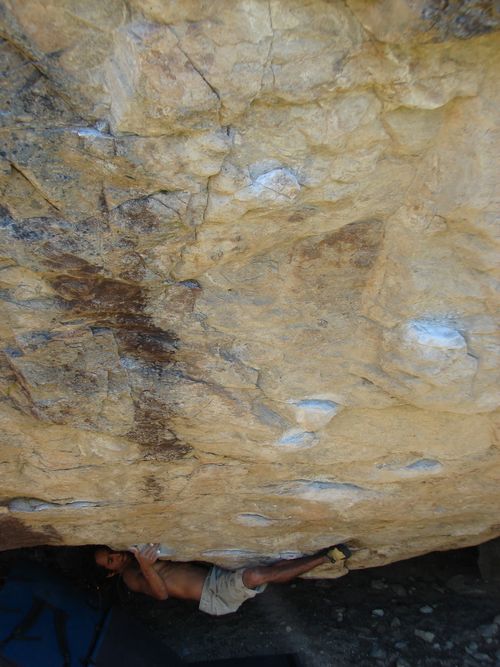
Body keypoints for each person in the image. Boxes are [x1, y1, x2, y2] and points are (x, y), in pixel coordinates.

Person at [94, 542, 351, 616]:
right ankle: (326, 558)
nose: (116, 556)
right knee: (256, 575)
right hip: (214, 595)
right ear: (110, 571)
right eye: (110, 561)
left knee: (270, 570)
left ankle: (302, 565)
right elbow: (161, 595)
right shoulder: (129, 576)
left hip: (214, 577)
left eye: (111, 553)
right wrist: (146, 566)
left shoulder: (133, 557)